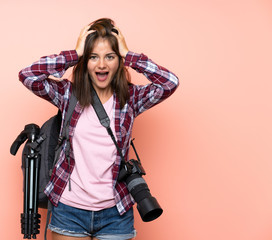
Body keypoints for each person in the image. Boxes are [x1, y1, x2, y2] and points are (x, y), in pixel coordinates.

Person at [18, 18, 179, 240]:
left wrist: (129, 55)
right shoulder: (68, 95)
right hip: (69, 210)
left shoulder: (130, 99)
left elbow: (169, 82)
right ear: (85, 62)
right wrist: (74, 54)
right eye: (93, 57)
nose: (101, 65)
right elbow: (28, 75)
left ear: (119, 61)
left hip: (116, 213)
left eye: (110, 57)